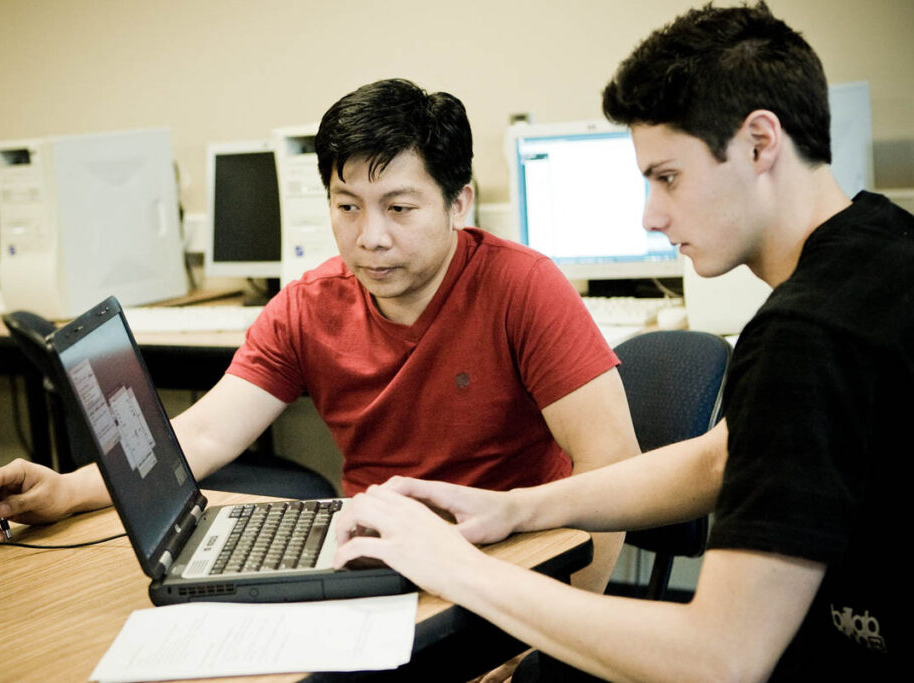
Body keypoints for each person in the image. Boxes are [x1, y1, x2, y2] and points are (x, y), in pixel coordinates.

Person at [333, 4, 906, 680]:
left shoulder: (808, 334)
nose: (652, 214)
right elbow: (723, 460)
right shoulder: (882, 248)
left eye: (668, 177)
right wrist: (518, 506)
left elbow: (718, 657)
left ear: (759, 143)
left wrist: (452, 566)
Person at [0, 78, 638, 592]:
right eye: (346, 207)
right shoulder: (308, 306)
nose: (369, 237)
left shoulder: (522, 287)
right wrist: (67, 488)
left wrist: (553, 640)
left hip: (510, 560)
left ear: (459, 202)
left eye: (399, 208)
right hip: (377, 559)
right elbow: (205, 434)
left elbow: (611, 467)